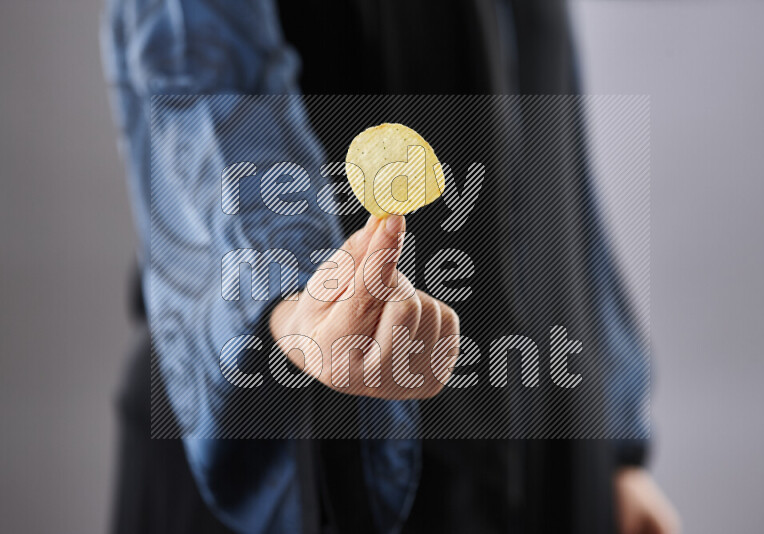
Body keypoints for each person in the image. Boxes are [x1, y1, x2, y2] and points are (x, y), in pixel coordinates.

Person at [102, 0, 679, 532]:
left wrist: (613, 444)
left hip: (539, 451)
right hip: (299, 439)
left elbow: (556, 159)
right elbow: (201, 77)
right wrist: (296, 289)